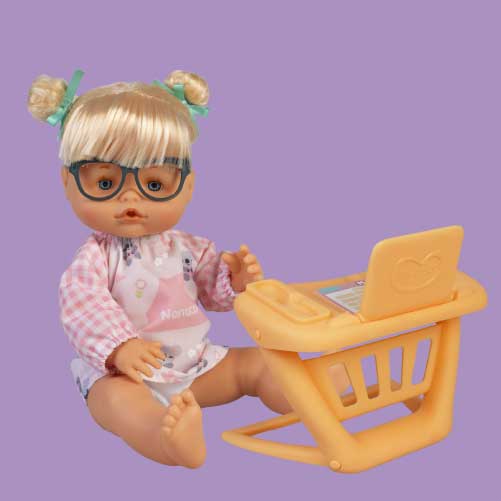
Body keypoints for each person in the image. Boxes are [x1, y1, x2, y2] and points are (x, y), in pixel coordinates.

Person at [27, 69, 347, 468]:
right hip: (126, 376)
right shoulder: (94, 259)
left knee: (254, 364)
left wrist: (237, 280)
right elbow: (83, 307)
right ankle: (165, 439)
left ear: (188, 185)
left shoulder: (191, 248)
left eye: (154, 185)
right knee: (117, 403)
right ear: (68, 182)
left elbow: (214, 293)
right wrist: (120, 348)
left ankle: (315, 395)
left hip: (197, 365)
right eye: (106, 183)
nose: (131, 199)